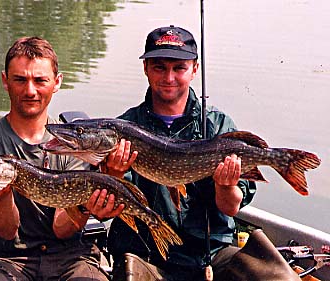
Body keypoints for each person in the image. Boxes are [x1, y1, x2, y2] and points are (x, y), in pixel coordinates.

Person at [101, 25, 299, 280]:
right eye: (159, 67)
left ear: (194, 69)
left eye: (179, 68)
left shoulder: (218, 126)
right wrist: (113, 175)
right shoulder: (125, 129)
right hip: (147, 256)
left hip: (211, 255)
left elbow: (231, 207)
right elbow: (113, 208)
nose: (169, 77)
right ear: (146, 69)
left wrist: (225, 186)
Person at [0, 36, 122, 281]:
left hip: (70, 257)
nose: (30, 91)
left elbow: (61, 227)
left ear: (57, 82)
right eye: (20, 79)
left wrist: (84, 205)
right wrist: (3, 193)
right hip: (8, 259)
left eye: (40, 80)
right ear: (5, 81)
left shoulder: (76, 145)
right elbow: (5, 231)